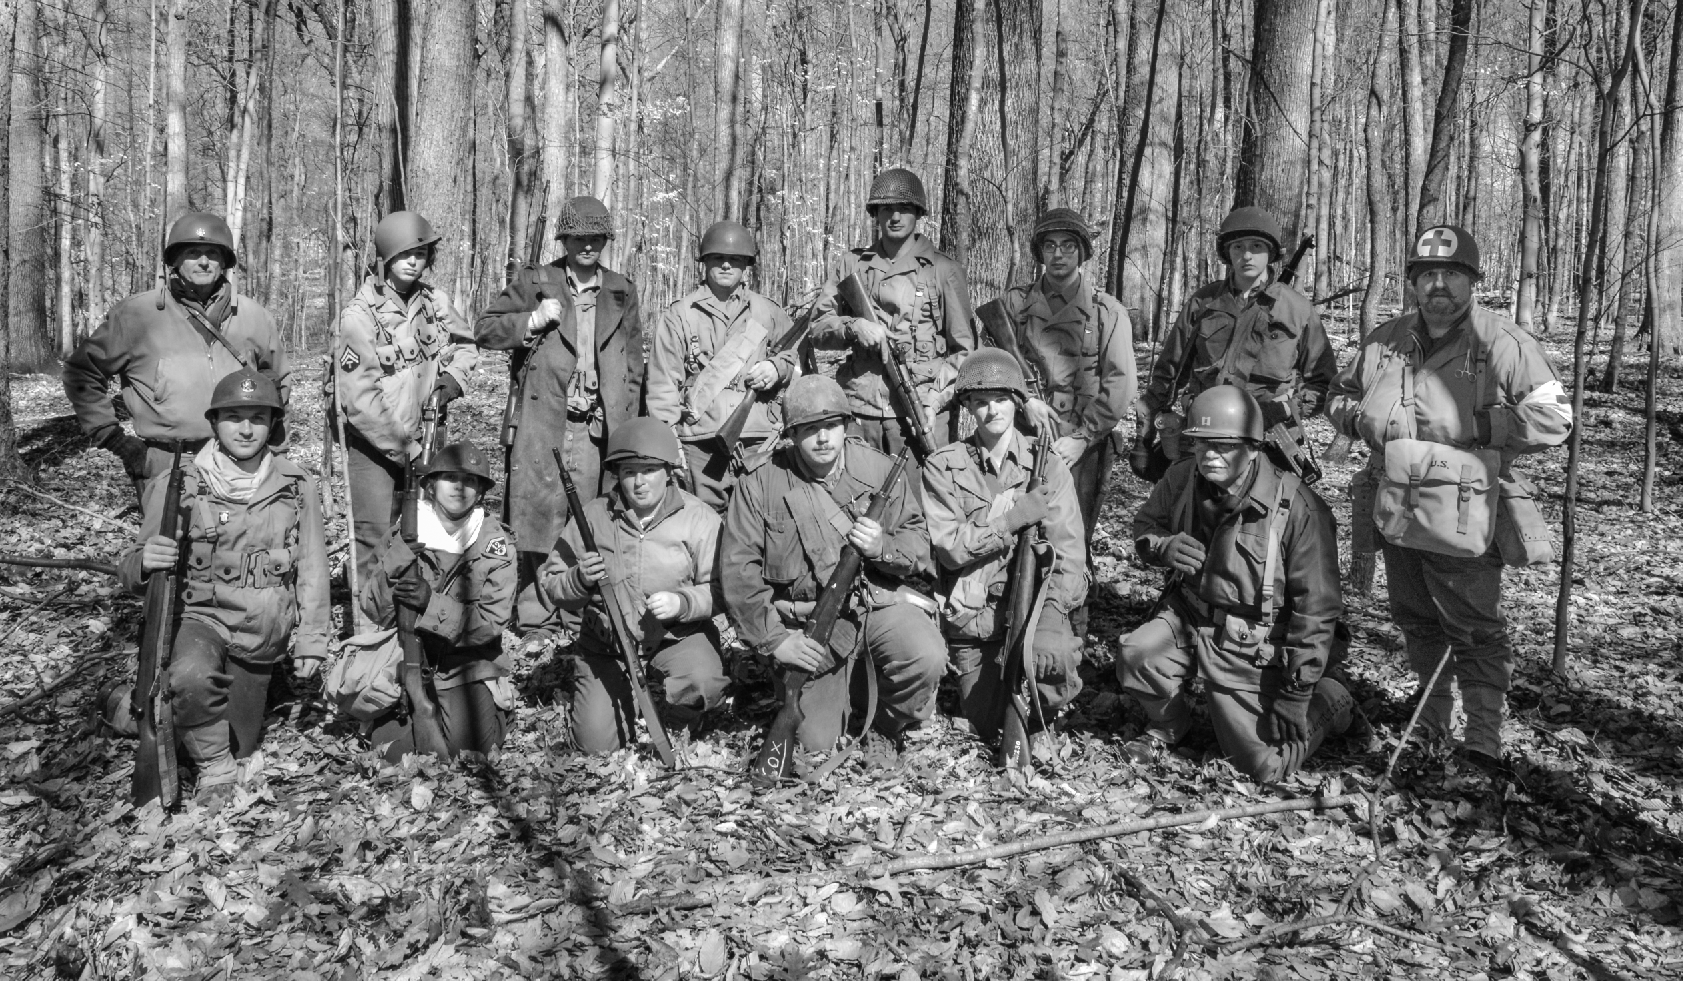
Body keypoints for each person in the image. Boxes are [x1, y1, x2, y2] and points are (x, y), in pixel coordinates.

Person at [1327, 225, 1572, 766]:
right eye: (1428, 274)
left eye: (1452, 274)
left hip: (1467, 508)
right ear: (1413, 282)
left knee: (1475, 628)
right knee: (1415, 617)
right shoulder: (1385, 340)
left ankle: (1482, 739)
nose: (1439, 284)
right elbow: (1339, 394)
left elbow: (1556, 417)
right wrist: (1360, 418)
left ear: (1472, 281)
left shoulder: (1502, 342)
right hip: (1397, 503)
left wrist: (1482, 425)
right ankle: (1430, 721)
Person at [1116, 385, 1352, 782]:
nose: (1209, 455)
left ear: (1253, 448)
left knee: (1263, 767)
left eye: (1224, 446)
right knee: (1138, 654)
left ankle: (1333, 699)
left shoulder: (1298, 508)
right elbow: (1146, 525)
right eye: (1201, 443)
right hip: (1190, 617)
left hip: (1255, 643)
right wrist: (1163, 547)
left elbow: (1317, 609)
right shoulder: (1182, 478)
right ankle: (1170, 727)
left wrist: (1297, 691)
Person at [116, 368, 329, 796]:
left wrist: (312, 640)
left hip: (260, 633)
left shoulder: (296, 485)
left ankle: (128, 709)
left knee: (238, 742)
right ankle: (213, 769)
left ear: (273, 424)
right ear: (214, 422)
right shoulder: (179, 483)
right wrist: (145, 562)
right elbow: (132, 568)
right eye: (233, 417)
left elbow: (312, 566)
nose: (246, 429)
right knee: (191, 681)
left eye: (258, 418)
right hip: (200, 618)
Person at [721, 374, 946, 753]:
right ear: (792, 434)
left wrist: (882, 547)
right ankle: (847, 690)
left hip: (873, 608)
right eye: (810, 429)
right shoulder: (759, 483)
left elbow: (918, 545)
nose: (823, 438)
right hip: (808, 626)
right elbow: (738, 573)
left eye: (831, 425)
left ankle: (885, 726)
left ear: (845, 425)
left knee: (926, 654)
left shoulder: (879, 470)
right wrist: (777, 642)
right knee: (814, 743)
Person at [475, 195, 645, 647]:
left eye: (596, 238)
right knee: (537, 515)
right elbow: (485, 329)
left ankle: (580, 612)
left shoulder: (621, 289)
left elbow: (633, 364)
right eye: (578, 238)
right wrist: (530, 320)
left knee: (590, 515)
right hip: (545, 417)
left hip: (599, 426)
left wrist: (630, 421)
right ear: (564, 240)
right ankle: (537, 617)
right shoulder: (537, 280)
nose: (587, 246)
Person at [921, 349, 1087, 747]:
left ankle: (1045, 717)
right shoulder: (943, 466)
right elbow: (949, 548)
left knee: (1053, 654)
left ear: (1017, 403)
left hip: (1034, 608)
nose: (992, 410)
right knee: (988, 722)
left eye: (1000, 399)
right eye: (980, 401)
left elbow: (1069, 552)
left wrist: (1052, 614)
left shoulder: (1047, 465)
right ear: (967, 407)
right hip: (974, 618)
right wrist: (1010, 521)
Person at [64, 212, 291, 497]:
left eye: (213, 253)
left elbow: (278, 383)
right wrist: (113, 437)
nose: (204, 261)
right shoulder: (136, 314)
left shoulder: (254, 316)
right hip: (167, 461)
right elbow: (82, 371)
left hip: (242, 463)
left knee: (242, 528)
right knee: (165, 528)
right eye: (193, 253)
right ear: (176, 260)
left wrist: (277, 450)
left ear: (224, 262)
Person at [541, 418, 727, 752]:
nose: (639, 482)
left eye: (649, 470)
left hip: (676, 636)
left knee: (703, 682)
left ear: (668, 472)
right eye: (629, 472)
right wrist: (579, 579)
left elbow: (720, 589)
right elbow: (552, 584)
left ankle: (678, 713)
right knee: (596, 743)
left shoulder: (699, 518)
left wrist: (683, 602)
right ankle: (625, 701)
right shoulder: (593, 516)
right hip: (608, 644)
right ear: (617, 474)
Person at [334, 210, 477, 588]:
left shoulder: (435, 303)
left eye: (421, 253)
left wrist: (452, 379)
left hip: (428, 436)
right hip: (375, 447)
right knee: (374, 540)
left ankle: (418, 612)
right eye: (404, 254)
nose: (413, 261)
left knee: (427, 534)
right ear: (386, 257)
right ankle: (371, 620)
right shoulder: (359, 315)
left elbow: (467, 346)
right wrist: (406, 448)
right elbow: (360, 400)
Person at [982, 207, 1136, 546]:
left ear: (1082, 252)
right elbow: (988, 364)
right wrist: (1025, 399)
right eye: (1050, 245)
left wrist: (1083, 438)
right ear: (1040, 252)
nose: (1058, 254)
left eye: (1068, 245)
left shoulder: (1106, 312)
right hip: (1020, 436)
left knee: (1070, 539)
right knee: (1011, 533)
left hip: (1080, 445)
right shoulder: (1014, 305)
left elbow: (1121, 384)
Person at [1139, 206, 1335, 466]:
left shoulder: (1297, 309)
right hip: (1204, 433)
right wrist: (1146, 433)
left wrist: (1284, 409)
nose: (1247, 255)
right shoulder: (1204, 303)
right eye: (1238, 247)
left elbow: (1324, 383)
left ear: (1271, 253)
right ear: (1227, 253)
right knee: (1183, 491)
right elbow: (1169, 372)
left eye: (1257, 246)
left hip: (1270, 437)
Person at [359, 441, 517, 758]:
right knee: (393, 754)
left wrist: (429, 603)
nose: (459, 487)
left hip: (466, 662)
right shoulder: (402, 533)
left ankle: (498, 711)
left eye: (470, 481)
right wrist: (396, 561)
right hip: (402, 657)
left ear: (481, 491)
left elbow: (490, 623)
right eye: (450, 478)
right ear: (431, 485)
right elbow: (373, 608)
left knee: (468, 750)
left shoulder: (496, 544)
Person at [808, 167, 977, 455]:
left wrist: (934, 400)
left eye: (904, 208)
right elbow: (818, 328)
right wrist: (853, 327)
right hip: (860, 411)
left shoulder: (943, 270)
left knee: (929, 483)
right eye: (886, 209)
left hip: (921, 413)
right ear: (875, 214)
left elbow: (964, 351)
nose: (895, 217)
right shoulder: (852, 265)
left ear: (918, 213)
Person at [646, 221, 797, 510]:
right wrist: (668, 441)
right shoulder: (680, 315)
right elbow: (663, 383)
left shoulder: (768, 311)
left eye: (735, 259)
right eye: (718, 258)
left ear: (746, 264)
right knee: (703, 518)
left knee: (757, 518)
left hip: (759, 439)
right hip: (699, 441)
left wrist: (778, 368)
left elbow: (797, 358)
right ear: (704, 261)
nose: (726, 265)